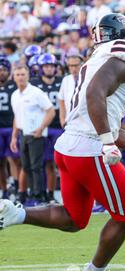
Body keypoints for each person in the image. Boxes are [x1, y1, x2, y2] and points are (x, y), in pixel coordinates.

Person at [0, 13, 125, 271]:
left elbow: (103, 116)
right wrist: (106, 143)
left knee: (74, 218)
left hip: (69, 148)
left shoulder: (96, 59)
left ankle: (17, 214)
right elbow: (96, 96)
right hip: (90, 151)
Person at [10, 65, 55, 204]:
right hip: (23, 134)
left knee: (36, 167)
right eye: (18, 74)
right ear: (14, 77)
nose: (20, 77)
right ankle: (30, 195)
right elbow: (17, 117)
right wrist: (14, 136)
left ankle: (39, 196)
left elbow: (51, 111)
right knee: (26, 166)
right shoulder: (15, 95)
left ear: (28, 75)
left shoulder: (36, 92)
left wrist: (41, 129)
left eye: (23, 74)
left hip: (36, 135)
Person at [30, 53, 63, 203]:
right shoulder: (34, 83)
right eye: (46, 66)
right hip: (41, 128)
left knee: (57, 163)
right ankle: (40, 193)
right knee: (40, 163)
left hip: (58, 127)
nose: (49, 69)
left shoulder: (63, 82)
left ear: (56, 68)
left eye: (51, 66)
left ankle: (51, 193)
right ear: (41, 68)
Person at [0, 57, 20, 200]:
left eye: (4, 70)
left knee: (14, 159)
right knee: (0, 162)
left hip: (12, 126)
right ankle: (4, 189)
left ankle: (18, 187)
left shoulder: (15, 85)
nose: (1, 72)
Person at [58, 55, 83, 128]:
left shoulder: (87, 78)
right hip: (69, 121)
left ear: (82, 65)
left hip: (83, 122)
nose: (73, 68)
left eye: (76, 65)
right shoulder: (66, 80)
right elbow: (61, 99)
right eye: (71, 66)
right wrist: (62, 120)